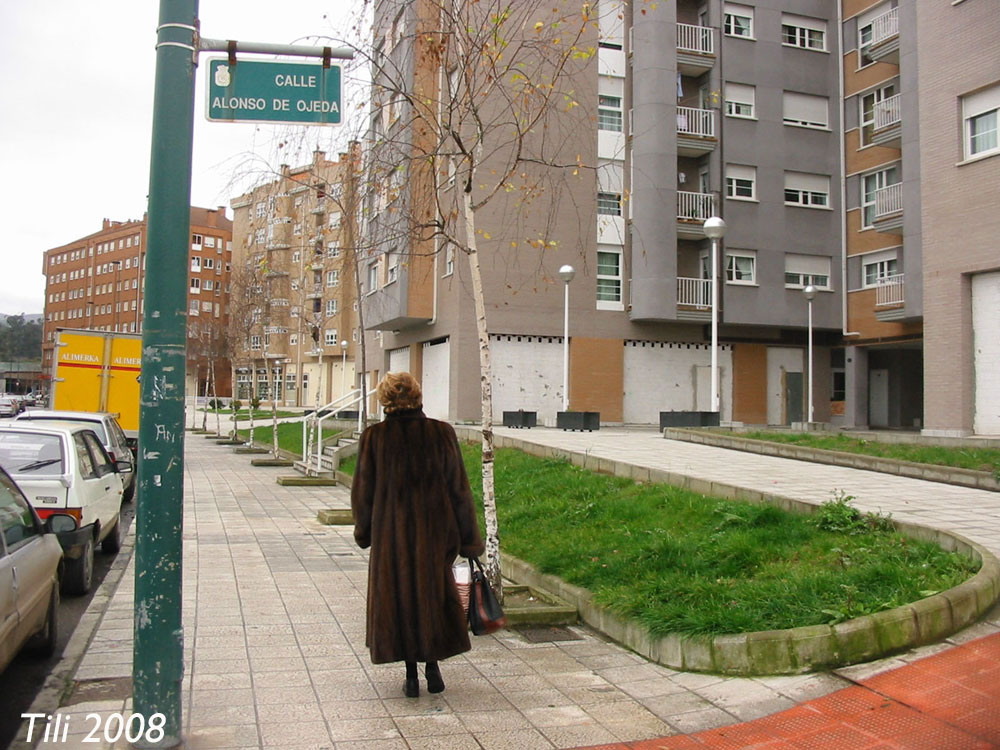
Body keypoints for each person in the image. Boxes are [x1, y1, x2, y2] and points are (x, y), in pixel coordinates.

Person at [351, 371, 485, 698]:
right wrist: (469, 539)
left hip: (390, 538)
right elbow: (459, 491)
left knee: (398, 599)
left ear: (385, 400)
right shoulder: (441, 434)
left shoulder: (374, 438)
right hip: (436, 535)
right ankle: (433, 666)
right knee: (433, 595)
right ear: (417, 396)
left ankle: (411, 674)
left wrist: (365, 531)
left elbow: (362, 493)